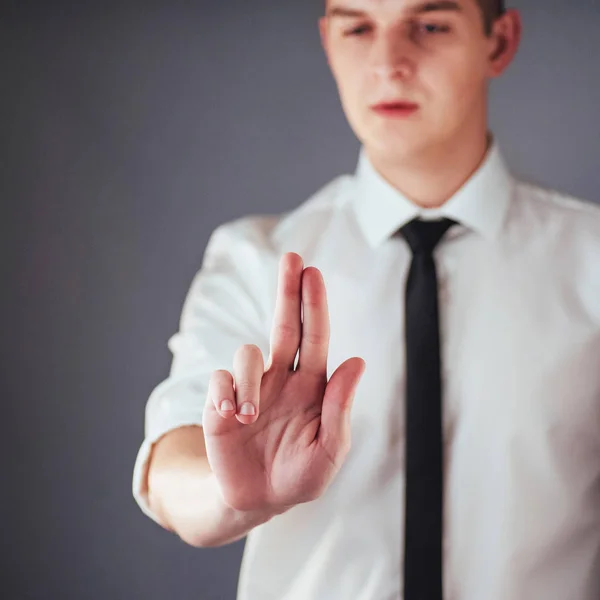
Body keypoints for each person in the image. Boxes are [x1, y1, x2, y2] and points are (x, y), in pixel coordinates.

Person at [132, 0, 600, 598]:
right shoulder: (253, 260)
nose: (389, 63)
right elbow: (172, 461)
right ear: (329, 44)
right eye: (358, 29)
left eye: (429, 26)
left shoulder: (589, 263)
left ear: (498, 43)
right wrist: (231, 491)